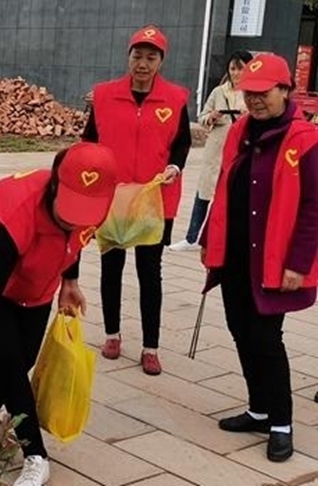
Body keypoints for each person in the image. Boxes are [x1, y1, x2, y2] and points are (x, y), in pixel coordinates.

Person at [0, 142, 121, 486]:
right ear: (56, 184)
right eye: (70, 208)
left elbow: (76, 238)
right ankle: (36, 455)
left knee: (25, 357)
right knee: (11, 362)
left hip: (39, 277)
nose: (74, 218)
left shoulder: (96, 205)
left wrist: (70, 281)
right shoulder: (20, 210)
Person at [201, 53, 318, 462]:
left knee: (266, 339)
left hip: (273, 259)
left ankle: (281, 423)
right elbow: (224, 186)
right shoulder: (240, 131)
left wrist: (298, 263)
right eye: (249, 92)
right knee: (239, 329)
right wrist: (209, 237)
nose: (254, 99)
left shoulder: (305, 139)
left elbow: (313, 207)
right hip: (235, 255)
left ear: (285, 90)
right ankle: (259, 409)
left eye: (263, 92)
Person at [82, 25, 191, 374]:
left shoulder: (175, 99)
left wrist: (175, 165)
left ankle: (150, 347)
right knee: (111, 268)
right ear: (128, 57)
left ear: (161, 61)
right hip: (113, 198)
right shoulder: (104, 96)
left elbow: (182, 142)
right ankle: (112, 335)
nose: (143, 64)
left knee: (150, 272)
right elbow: (89, 141)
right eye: (137, 56)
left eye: (151, 57)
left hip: (153, 200)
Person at [170, 50, 253, 251]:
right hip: (215, 151)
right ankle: (191, 238)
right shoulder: (218, 92)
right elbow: (202, 117)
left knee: (232, 198)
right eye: (232, 68)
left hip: (241, 152)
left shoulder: (252, 94)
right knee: (203, 194)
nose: (236, 73)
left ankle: (224, 239)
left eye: (240, 69)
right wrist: (212, 117)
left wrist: (247, 117)